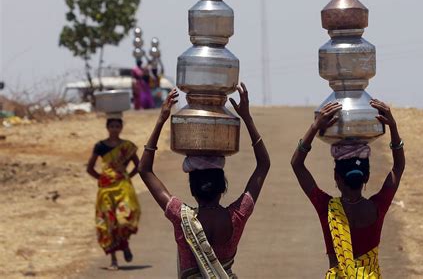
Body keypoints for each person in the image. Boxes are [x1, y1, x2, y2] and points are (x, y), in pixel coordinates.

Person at [138, 83, 270, 278]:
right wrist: (247, 118)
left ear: (192, 189)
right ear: (222, 187)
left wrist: (161, 120)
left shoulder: (181, 217)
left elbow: (145, 170)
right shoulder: (237, 216)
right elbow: (263, 165)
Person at [291, 99, 405, 278]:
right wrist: (393, 127)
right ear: (366, 177)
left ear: (336, 177)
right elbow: (398, 167)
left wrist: (315, 126)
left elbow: (297, 164)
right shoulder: (377, 208)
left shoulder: (328, 209)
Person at [86, 118, 141, 270]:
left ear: (121, 127)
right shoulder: (100, 146)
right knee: (109, 223)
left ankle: (125, 245)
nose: (115, 129)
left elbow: (139, 166)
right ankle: (114, 260)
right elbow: (89, 168)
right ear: (107, 128)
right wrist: (102, 179)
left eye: (118, 126)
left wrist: (127, 176)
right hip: (105, 190)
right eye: (112, 126)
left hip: (123, 187)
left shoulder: (127, 146)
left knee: (124, 219)